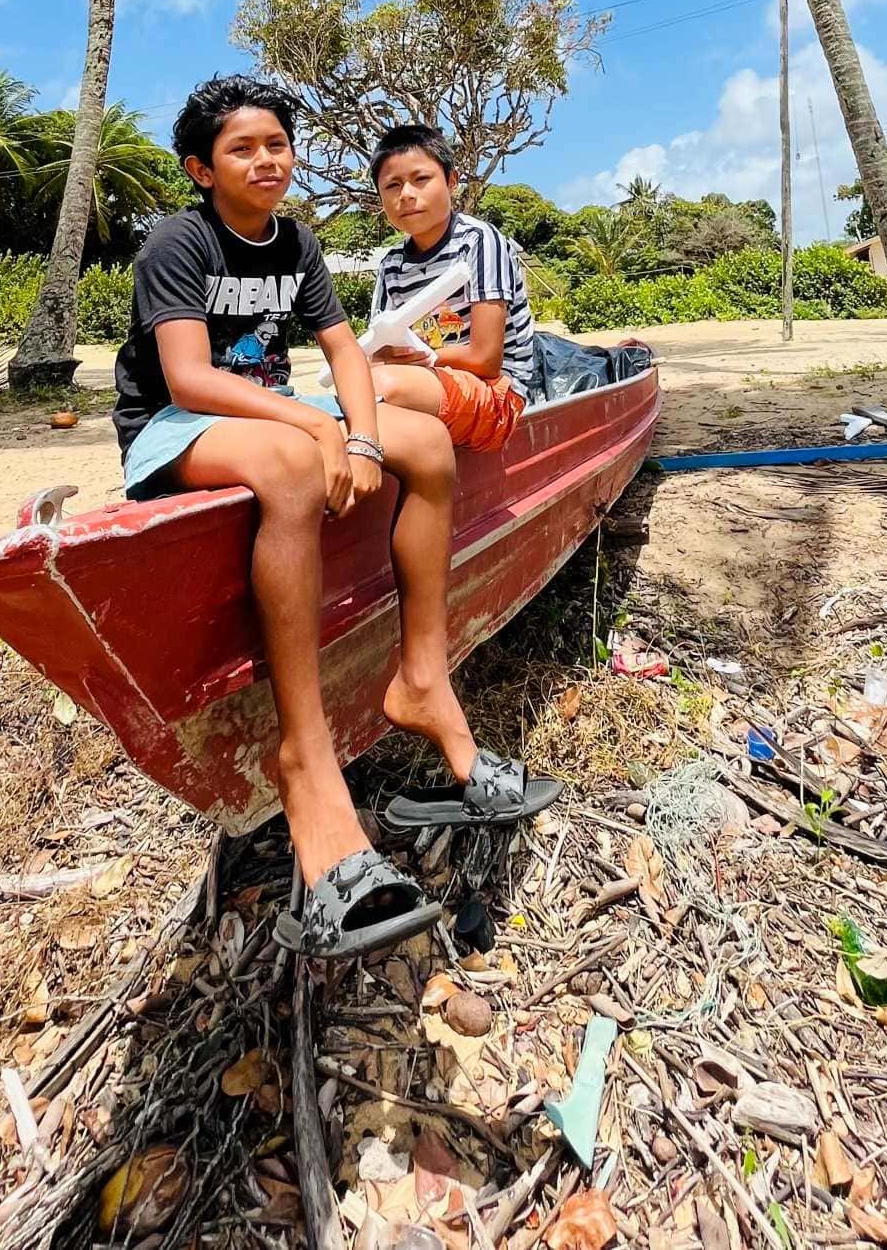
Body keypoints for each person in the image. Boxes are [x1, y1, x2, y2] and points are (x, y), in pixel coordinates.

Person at [113, 76, 558, 960]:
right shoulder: (177, 240)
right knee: (286, 462)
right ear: (202, 169)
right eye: (243, 149)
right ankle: (305, 762)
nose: (267, 160)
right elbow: (191, 380)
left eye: (278, 144)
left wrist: (359, 436)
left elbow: (347, 350)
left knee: (425, 445)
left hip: (274, 412)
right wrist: (319, 427)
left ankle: (421, 681)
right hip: (178, 426)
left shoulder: (298, 242)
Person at [366, 125, 537, 453]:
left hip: (497, 394)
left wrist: (415, 362)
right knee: (360, 388)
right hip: (427, 383)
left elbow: (485, 358)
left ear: (452, 181)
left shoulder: (479, 241)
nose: (406, 194)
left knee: (383, 385)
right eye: (392, 185)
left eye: (421, 179)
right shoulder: (391, 266)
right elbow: (379, 352)